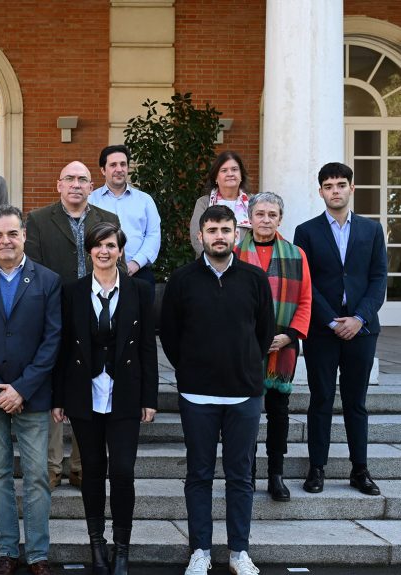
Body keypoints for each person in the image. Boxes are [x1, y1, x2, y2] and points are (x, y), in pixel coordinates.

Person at [160, 205, 274, 575]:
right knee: (199, 475)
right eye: (212, 230)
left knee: (241, 476)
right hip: (197, 395)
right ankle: (201, 551)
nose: (219, 236)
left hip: (243, 394)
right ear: (201, 236)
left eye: (226, 229)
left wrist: (243, 365)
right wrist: (191, 369)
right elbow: (171, 336)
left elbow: (265, 333)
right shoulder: (182, 280)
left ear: (236, 234)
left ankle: (239, 551)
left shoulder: (255, 280)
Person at [0, 205, 62, 575]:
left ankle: (37, 553)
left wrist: (20, 388)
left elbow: (53, 340)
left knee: (36, 475)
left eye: (12, 233)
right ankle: (7, 550)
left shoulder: (47, 280)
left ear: (24, 235)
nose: (6, 241)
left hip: (32, 395)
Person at [53, 222, 158, 575]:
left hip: (125, 392)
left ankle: (122, 548)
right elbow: (64, 347)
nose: (104, 251)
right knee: (93, 471)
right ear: (89, 251)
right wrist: (58, 397)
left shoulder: (140, 291)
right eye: (98, 245)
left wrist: (150, 397)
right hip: (84, 393)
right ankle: (97, 546)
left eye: (110, 245)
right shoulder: (73, 292)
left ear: (120, 250)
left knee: (124, 471)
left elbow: (147, 348)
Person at [25, 161, 121, 491]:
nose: (76, 184)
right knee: (53, 388)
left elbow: (113, 263)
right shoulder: (37, 220)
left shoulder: (108, 221)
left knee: (90, 389)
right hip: (54, 314)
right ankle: (51, 466)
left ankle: (82, 466)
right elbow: (35, 269)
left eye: (82, 179)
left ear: (91, 186)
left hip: (99, 316)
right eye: (70, 179)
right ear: (59, 185)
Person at [294, 162, 387, 497]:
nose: (335, 190)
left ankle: (359, 470)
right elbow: (306, 282)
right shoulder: (306, 231)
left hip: (362, 330)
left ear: (352, 188)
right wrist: (332, 320)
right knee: (320, 398)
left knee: (355, 401)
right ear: (321, 191)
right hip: (323, 329)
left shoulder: (372, 230)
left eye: (341, 184)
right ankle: (316, 468)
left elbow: (378, 280)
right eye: (329, 185)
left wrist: (359, 318)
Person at [234, 192, 312, 502]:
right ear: (249, 218)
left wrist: (290, 335)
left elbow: (305, 300)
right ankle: (247, 474)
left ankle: (276, 475)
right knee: (245, 414)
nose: (266, 219)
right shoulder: (234, 254)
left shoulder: (296, 255)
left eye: (272, 214)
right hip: (243, 348)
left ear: (280, 219)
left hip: (282, 348)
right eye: (261, 214)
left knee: (278, 413)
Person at [88, 145, 161, 290]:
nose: (119, 169)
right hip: (99, 272)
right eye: (113, 165)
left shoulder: (145, 200)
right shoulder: (91, 200)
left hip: (138, 272)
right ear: (103, 170)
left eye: (123, 164)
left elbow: (153, 235)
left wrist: (136, 263)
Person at [189, 151, 253, 255]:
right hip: (210, 265)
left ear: (241, 175)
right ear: (216, 177)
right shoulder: (203, 203)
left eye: (234, 169)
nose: (230, 174)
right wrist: (215, 261)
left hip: (247, 264)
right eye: (224, 170)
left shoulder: (253, 203)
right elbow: (196, 237)